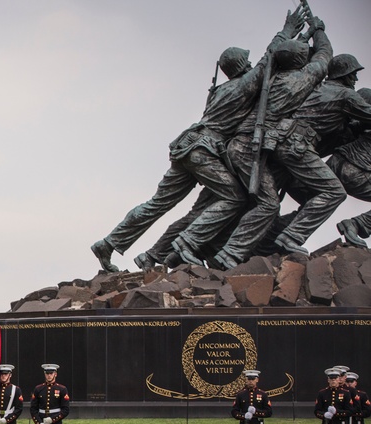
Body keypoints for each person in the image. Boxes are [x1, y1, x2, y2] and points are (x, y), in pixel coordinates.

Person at [90, 8, 306, 271]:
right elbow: (268, 59)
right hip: (204, 150)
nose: (251, 65)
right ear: (242, 66)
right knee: (235, 198)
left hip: (187, 147)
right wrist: (287, 31)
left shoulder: (221, 91)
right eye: (247, 63)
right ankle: (186, 242)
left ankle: (109, 242)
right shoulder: (242, 86)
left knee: (157, 204)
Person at [209, 14, 333, 268]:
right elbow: (324, 55)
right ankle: (229, 253)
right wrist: (318, 29)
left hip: (245, 145)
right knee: (268, 204)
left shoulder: (268, 76)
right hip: (247, 147)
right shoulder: (303, 79)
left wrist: (293, 33)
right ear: (301, 61)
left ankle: (230, 249)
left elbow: (272, 54)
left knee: (260, 202)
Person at [263, 54, 371, 254]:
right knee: (334, 193)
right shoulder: (346, 95)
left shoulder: (321, 89)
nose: (355, 79)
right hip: (300, 148)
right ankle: (291, 237)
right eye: (353, 74)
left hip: (301, 149)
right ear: (345, 74)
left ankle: (265, 243)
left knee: (311, 203)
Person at [331, 88, 371, 247]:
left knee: (314, 203)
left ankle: (276, 232)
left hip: (336, 161)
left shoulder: (366, 95)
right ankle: (358, 224)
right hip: (359, 171)